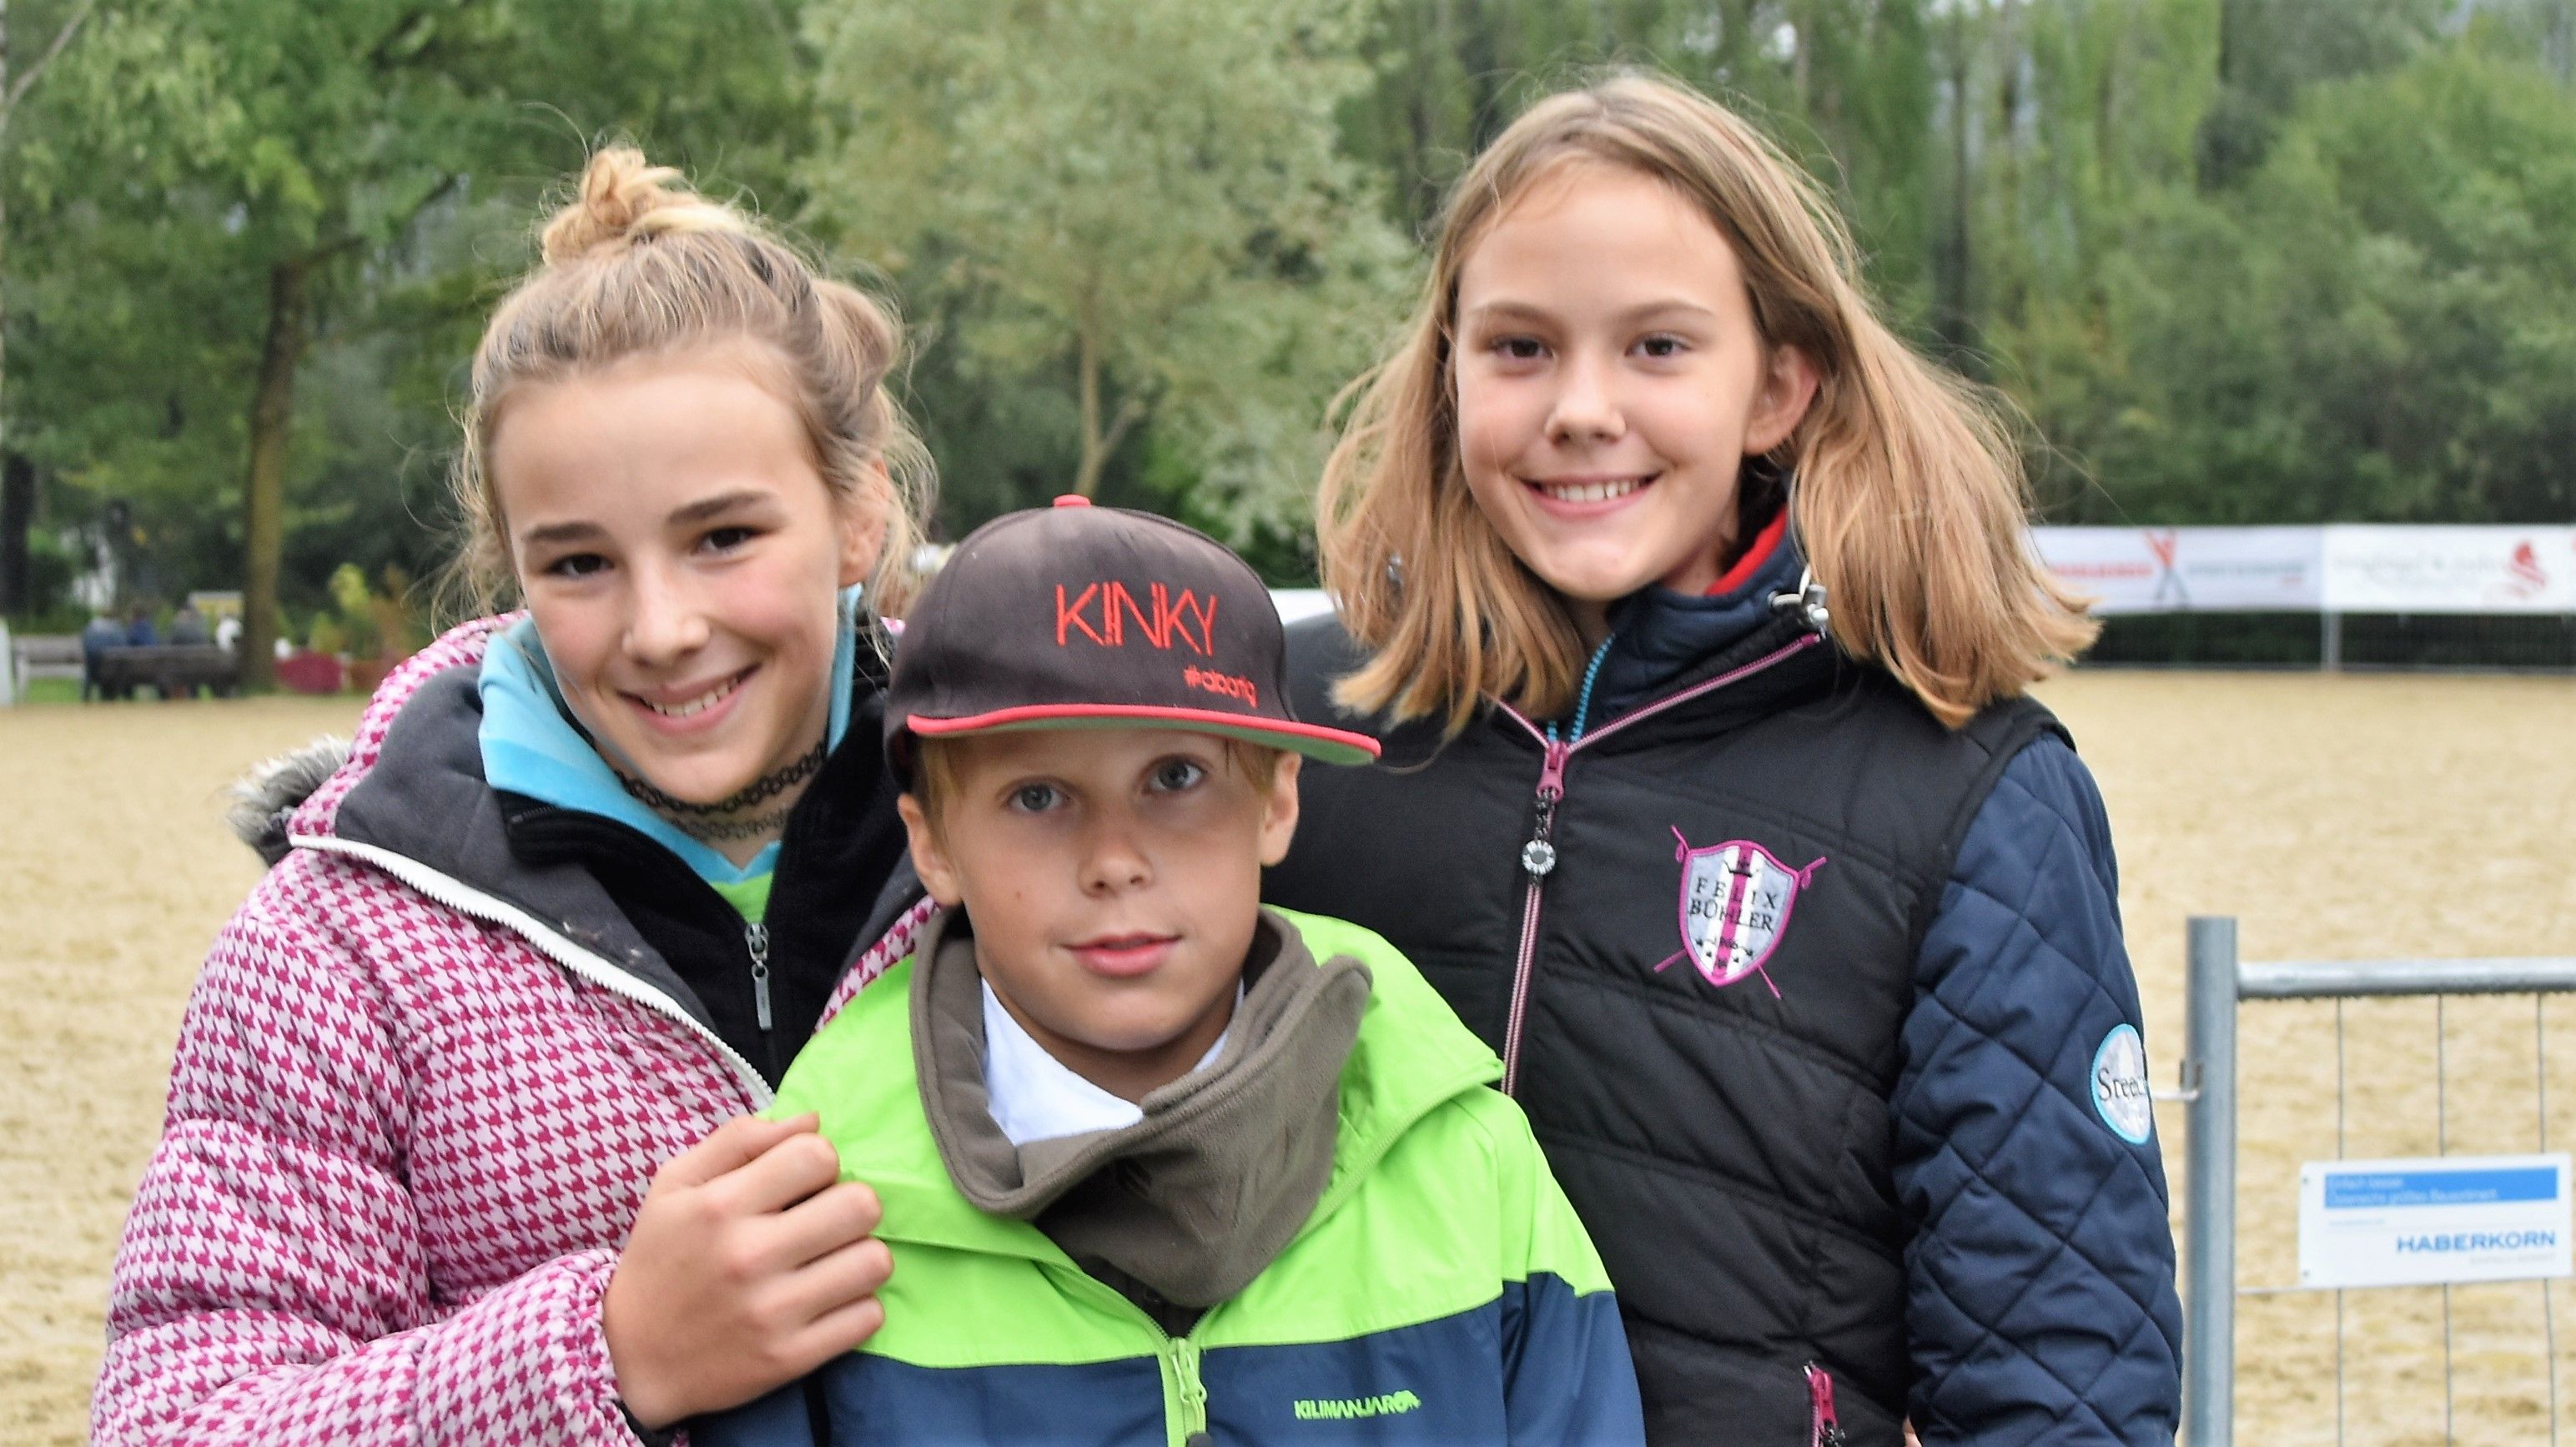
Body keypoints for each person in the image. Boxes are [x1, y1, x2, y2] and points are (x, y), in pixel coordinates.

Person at [1262, 75, 2183, 1446]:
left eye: (1656, 346)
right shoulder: (1290, 722)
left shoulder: (1963, 791)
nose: (1580, 407)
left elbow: (2059, 1373)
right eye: (1518, 347)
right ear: (1447, 373)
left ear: (1778, 385)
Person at [93, 148, 939, 1444]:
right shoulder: (339, 951)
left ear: (860, 510)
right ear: (512, 566)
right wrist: (607, 1354)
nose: (661, 627)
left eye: (724, 537)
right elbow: (178, 1420)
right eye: (581, 562)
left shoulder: (1041, 845)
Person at [701, 499, 1646, 1446]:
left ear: (1276, 801)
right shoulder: (819, 1208)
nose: (1115, 859)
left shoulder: (1466, 1163)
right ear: (934, 843)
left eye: (1176, 778)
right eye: (1038, 795)